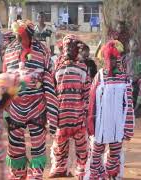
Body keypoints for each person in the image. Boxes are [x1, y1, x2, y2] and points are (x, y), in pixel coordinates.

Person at [3, 20, 58, 179]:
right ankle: (18, 175)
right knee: (15, 147)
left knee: (38, 146)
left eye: (19, 35)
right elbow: (5, 79)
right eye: (15, 35)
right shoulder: (9, 50)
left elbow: (49, 83)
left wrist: (53, 117)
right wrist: (2, 107)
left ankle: (36, 176)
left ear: (28, 34)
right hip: (14, 109)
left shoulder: (43, 51)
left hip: (37, 108)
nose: (17, 38)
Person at [87, 40, 135, 179]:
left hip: (117, 125)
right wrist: (91, 123)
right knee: (96, 152)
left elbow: (128, 105)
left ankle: (112, 175)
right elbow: (92, 102)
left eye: (115, 58)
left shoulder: (124, 78)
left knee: (115, 154)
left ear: (119, 58)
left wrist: (128, 127)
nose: (112, 61)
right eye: (110, 58)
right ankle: (96, 176)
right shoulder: (100, 76)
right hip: (100, 125)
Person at [49, 35, 90, 179]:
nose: (68, 50)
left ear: (76, 50)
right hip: (61, 114)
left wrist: (85, 113)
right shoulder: (57, 67)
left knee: (81, 145)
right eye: (66, 47)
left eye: (71, 47)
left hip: (77, 115)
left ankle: (81, 170)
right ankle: (60, 168)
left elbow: (87, 94)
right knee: (60, 144)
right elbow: (53, 91)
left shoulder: (83, 68)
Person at [122, 39, 141, 114]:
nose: (136, 46)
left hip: (139, 80)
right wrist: (129, 78)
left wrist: (139, 76)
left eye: (137, 44)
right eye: (134, 44)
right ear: (129, 46)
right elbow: (120, 72)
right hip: (127, 80)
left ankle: (136, 108)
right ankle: (128, 108)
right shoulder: (124, 59)